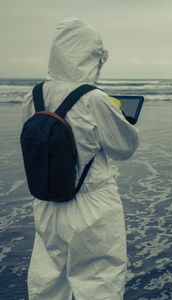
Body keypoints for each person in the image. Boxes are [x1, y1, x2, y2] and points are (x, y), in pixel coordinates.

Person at [21, 18, 139, 299]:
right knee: (98, 282)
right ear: (90, 55)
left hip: (47, 202)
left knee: (47, 279)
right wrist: (118, 115)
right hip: (91, 205)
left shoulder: (33, 94)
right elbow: (125, 147)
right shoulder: (94, 98)